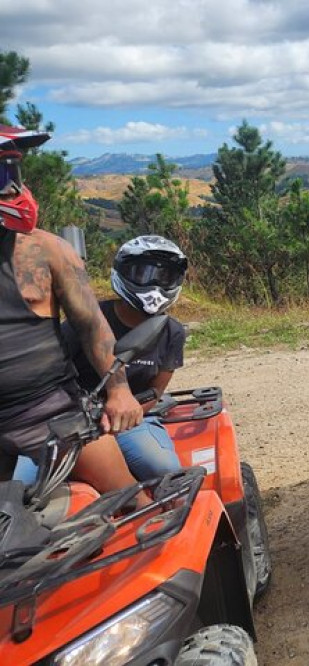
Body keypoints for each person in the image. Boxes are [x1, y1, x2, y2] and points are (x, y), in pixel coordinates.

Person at [0, 125, 146, 501]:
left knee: (134, 504)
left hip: (48, 411)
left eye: (12, 173)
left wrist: (119, 391)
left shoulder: (48, 250)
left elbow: (91, 325)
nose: (11, 189)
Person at [13, 235, 189, 483]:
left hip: (131, 421)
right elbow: (53, 375)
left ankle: (163, 516)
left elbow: (155, 392)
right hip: (74, 419)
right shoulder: (90, 322)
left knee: (164, 469)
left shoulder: (172, 332)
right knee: (19, 483)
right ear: (123, 273)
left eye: (164, 276)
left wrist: (126, 415)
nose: (153, 283)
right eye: (143, 273)